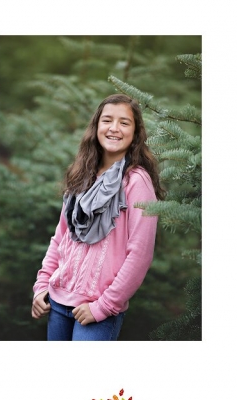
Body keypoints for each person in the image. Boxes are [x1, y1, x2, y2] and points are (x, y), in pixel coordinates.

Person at [31, 94, 166, 341]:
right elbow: (61, 237)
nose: (114, 128)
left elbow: (140, 254)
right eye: (107, 120)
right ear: (96, 126)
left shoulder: (137, 182)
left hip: (98, 310)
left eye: (124, 122)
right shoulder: (81, 174)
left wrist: (103, 306)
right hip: (57, 301)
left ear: (136, 132)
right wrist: (42, 285)